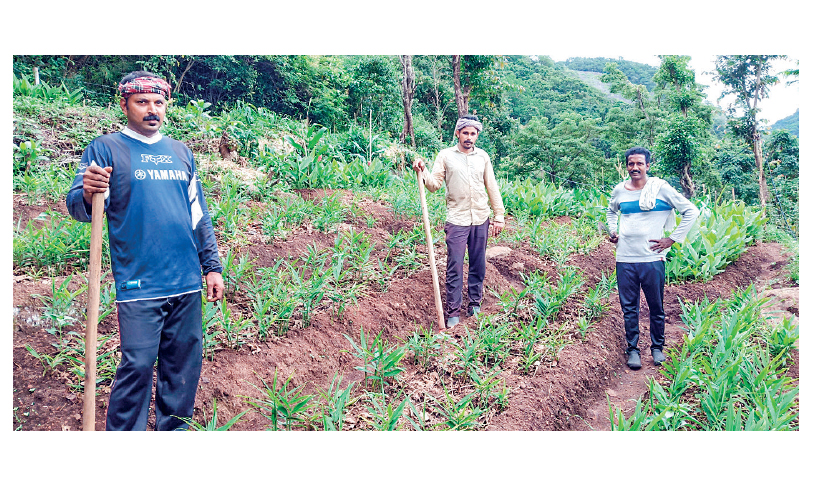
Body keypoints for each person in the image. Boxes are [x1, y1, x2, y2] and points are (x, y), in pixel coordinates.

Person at [67, 71, 224, 430]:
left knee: (183, 367)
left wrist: (211, 266)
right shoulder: (105, 149)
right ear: (124, 105)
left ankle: (174, 432)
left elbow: (198, 214)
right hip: (139, 284)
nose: (152, 110)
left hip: (185, 281)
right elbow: (78, 207)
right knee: (137, 365)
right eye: (142, 102)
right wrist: (89, 192)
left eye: (159, 102)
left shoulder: (180, 153)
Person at [606, 146, 698, 370]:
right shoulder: (620, 190)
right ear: (627, 166)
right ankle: (633, 350)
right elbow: (611, 211)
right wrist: (612, 231)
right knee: (629, 308)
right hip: (625, 258)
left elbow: (691, 211)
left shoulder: (661, 189)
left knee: (656, 306)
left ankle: (657, 348)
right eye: (631, 164)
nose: (634, 168)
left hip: (652, 259)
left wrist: (672, 239)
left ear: (648, 166)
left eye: (639, 164)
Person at [412, 115, 505, 329]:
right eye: (465, 133)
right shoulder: (445, 156)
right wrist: (422, 170)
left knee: (478, 264)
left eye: (473, 134)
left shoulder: (483, 157)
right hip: (457, 219)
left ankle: (475, 306)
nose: (469, 138)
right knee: (454, 266)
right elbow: (434, 184)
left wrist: (499, 216)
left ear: (477, 136)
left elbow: (492, 186)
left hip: (481, 217)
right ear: (458, 133)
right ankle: (453, 312)